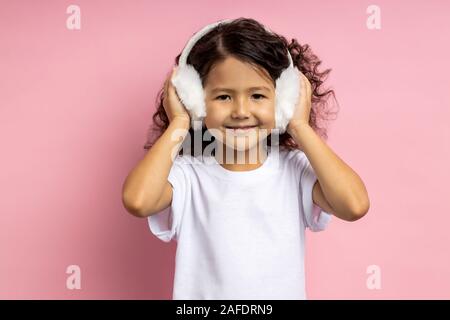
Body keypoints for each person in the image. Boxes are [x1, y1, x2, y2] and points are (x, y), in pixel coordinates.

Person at [122, 17, 370, 300]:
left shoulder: (294, 169)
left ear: (283, 100)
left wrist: (299, 126)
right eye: (224, 97)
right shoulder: (188, 176)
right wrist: (179, 121)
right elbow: (138, 201)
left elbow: (354, 205)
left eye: (257, 96)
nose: (241, 111)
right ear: (195, 101)